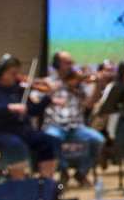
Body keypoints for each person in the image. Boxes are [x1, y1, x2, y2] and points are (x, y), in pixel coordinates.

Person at [0, 53, 61, 180]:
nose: (16, 76)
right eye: (12, 73)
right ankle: (18, 184)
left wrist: (47, 98)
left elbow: (32, 110)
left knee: (49, 142)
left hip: (19, 130)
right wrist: (8, 107)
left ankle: (45, 184)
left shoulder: (17, 88)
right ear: (0, 73)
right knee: (15, 145)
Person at [42, 50, 106, 186]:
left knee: (98, 139)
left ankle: (81, 172)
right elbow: (35, 100)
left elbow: (89, 103)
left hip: (76, 127)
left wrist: (98, 85)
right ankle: (63, 171)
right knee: (51, 138)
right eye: (67, 63)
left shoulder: (80, 83)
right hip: (54, 125)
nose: (72, 66)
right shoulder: (48, 82)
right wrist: (50, 94)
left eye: (72, 63)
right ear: (57, 65)